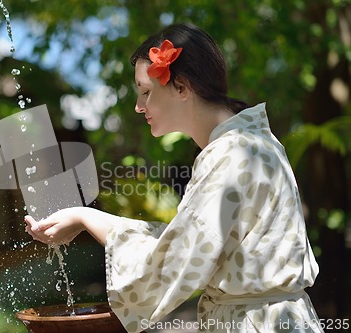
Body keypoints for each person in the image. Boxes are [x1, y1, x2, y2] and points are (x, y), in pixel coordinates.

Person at [25, 23, 323, 333]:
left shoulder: (231, 155)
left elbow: (169, 264)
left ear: (181, 87)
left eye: (146, 92)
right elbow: (184, 239)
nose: (139, 107)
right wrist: (84, 216)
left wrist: (86, 216)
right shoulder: (248, 142)